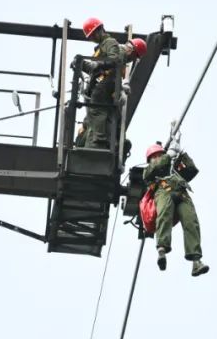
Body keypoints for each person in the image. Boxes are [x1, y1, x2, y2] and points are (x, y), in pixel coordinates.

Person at [77, 17, 148, 149]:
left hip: (101, 87)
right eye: (134, 57)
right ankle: (102, 140)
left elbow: (101, 68)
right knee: (98, 112)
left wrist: (121, 87)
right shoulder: (115, 48)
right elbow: (101, 68)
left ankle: (109, 140)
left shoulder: (108, 47)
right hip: (101, 87)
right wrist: (83, 65)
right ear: (131, 50)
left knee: (104, 115)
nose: (131, 60)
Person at [142, 142, 209, 276]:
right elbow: (155, 167)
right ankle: (162, 249)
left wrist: (181, 154)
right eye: (154, 157)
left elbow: (191, 170)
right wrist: (168, 156)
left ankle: (196, 261)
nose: (157, 158)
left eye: (159, 155)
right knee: (164, 216)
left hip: (181, 192)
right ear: (150, 160)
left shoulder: (173, 169)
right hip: (163, 190)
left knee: (191, 222)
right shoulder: (149, 171)